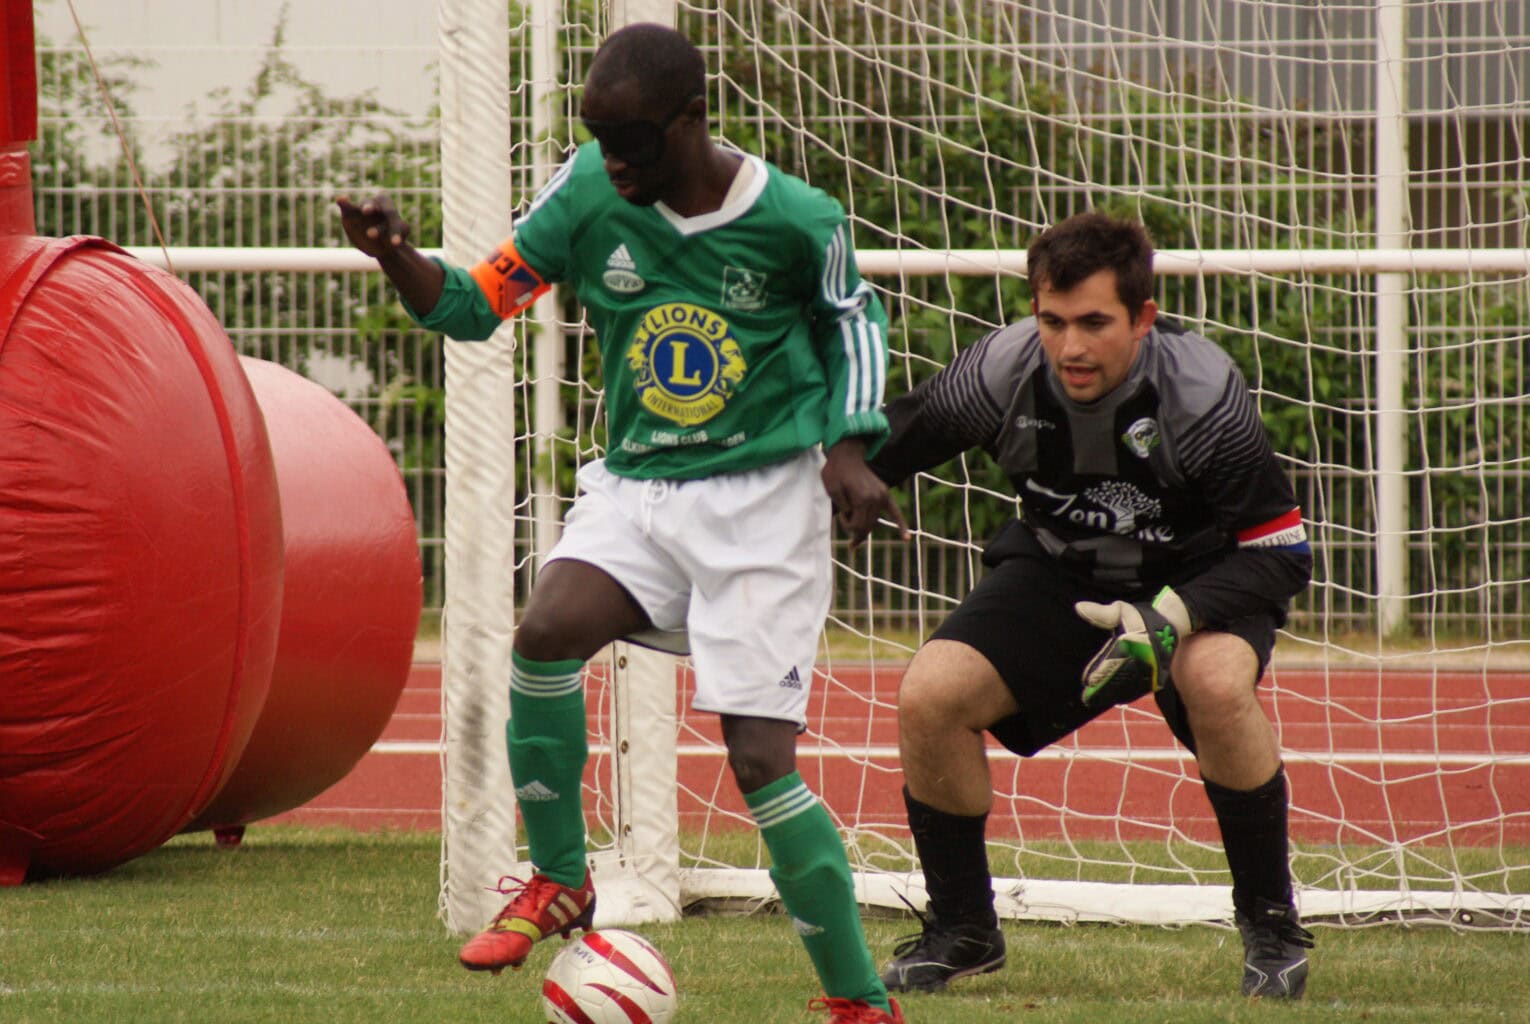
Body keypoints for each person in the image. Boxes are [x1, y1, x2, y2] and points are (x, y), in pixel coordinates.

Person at [338, 23, 909, 1024]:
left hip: (763, 508)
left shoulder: (796, 218)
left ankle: (859, 1002)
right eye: (599, 140)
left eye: (630, 142)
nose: (612, 162)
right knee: (545, 632)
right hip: (640, 489)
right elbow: (472, 305)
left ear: (691, 120)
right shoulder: (587, 193)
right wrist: (395, 256)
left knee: (760, 762)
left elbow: (852, 321)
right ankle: (562, 878)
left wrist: (850, 448)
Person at [868, 212, 1315, 1000]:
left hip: (1202, 579)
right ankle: (963, 929)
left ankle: (1272, 930)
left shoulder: (1202, 394)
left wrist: (1170, 617)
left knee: (1214, 683)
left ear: (1142, 317)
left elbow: (1280, 554)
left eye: (1095, 323)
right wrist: (828, 477)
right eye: (1053, 321)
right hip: (1061, 570)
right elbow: (889, 443)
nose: (1070, 346)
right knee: (929, 696)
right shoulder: (999, 371)